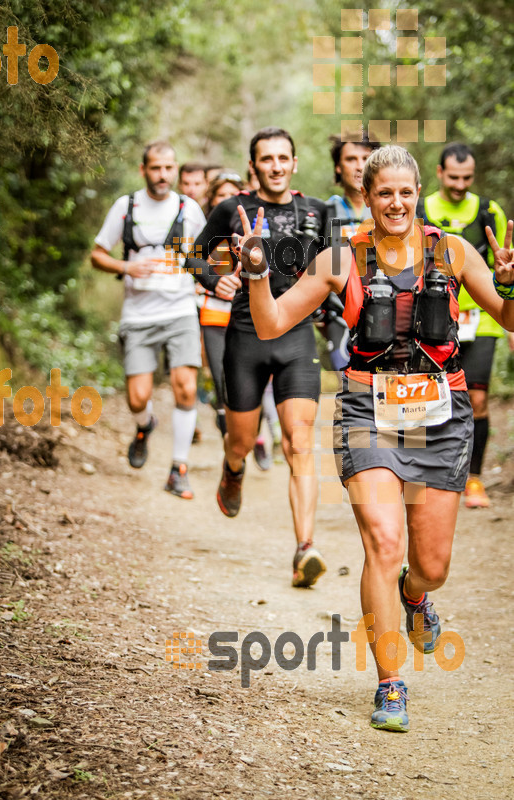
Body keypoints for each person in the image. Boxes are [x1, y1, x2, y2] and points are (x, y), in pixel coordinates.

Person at [236, 145, 514, 731]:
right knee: (384, 544)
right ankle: (391, 684)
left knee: (430, 566)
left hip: (441, 416)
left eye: (405, 192)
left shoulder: (452, 250)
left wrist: (510, 287)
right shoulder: (341, 257)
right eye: (383, 192)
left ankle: (417, 596)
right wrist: (258, 273)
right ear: (366, 196)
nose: (396, 202)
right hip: (368, 409)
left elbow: (508, 318)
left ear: (419, 194)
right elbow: (269, 323)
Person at [186, 127, 328, 588]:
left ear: (295, 162)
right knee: (240, 440)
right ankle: (233, 470)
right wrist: (215, 281)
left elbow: (342, 269)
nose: (276, 166)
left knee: (299, 442)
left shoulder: (318, 212)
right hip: (245, 337)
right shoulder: (232, 209)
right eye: (266, 159)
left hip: (298, 338)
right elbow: (191, 256)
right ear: (254, 166)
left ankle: (305, 547)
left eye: (283, 157)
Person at [91, 140, 206, 499]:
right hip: (138, 314)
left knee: (186, 386)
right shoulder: (126, 206)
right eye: (155, 168)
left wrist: (210, 282)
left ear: (176, 170)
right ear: (144, 170)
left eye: (169, 168)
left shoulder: (190, 210)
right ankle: (145, 425)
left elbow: (204, 256)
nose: (163, 175)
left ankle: (178, 468)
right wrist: (127, 266)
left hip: (180, 309)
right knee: (137, 398)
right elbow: (97, 254)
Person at [417, 143, 510, 508]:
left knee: (479, 399)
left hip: (483, 317)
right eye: (453, 177)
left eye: (466, 178)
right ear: (439, 173)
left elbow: (504, 266)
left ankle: (474, 479)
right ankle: (431, 473)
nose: (459, 184)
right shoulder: (422, 210)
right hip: (437, 318)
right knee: (430, 399)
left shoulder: (489, 211)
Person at [319, 135, 381, 371]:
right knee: (349, 391)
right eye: (351, 159)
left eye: (366, 158)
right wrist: (321, 317)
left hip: (386, 311)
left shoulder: (392, 209)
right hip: (339, 318)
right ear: (338, 166)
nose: (359, 165)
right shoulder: (325, 211)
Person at [200, 172, 246, 436]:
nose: (226, 201)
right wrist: (210, 279)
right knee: (220, 376)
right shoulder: (208, 231)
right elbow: (191, 264)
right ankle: (223, 414)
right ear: (212, 200)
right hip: (214, 312)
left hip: (245, 315)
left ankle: (256, 432)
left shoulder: (254, 229)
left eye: (232, 195)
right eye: (220, 196)